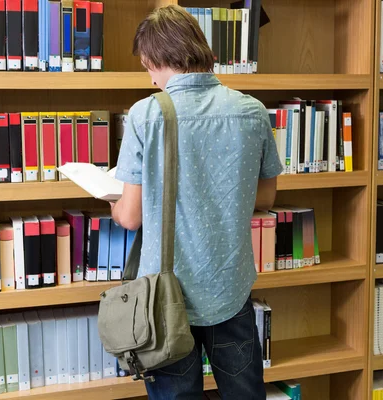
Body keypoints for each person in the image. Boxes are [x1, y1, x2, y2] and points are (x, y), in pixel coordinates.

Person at [110, 5, 283, 399]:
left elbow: (132, 216)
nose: (151, 78)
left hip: (166, 300)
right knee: (245, 393)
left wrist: (114, 206)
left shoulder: (145, 115)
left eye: (147, 66)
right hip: (230, 290)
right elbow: (266, 196)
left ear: (156, 59)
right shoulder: (251, 111)